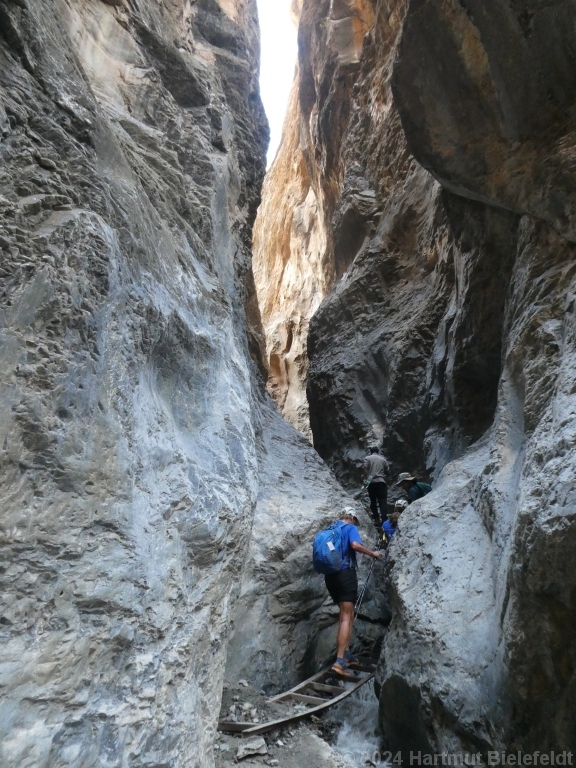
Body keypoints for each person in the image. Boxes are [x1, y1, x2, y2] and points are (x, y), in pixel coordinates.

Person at [325, 508, 383, 678]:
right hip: (345, 574)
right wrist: (373, 553)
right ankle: (340, 661)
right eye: (354, 520)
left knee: (346, 615)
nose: (354, 523)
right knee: (346, 616)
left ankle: (347, 653)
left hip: (330, 576)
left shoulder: (331, 529)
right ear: (351, 517)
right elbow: (355, 545)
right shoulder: (350, 528)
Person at [363, 447, 390, 528]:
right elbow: (388, 472)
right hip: (381, 482)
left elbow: (365, 468)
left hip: (371, 482)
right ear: (378, 452)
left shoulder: (368, 458)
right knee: (383, 501)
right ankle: (384, 519)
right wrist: (384, 478)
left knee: (373, 501)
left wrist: (367, 479)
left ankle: (376, 519)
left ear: (371, 452)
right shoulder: (383, 460)